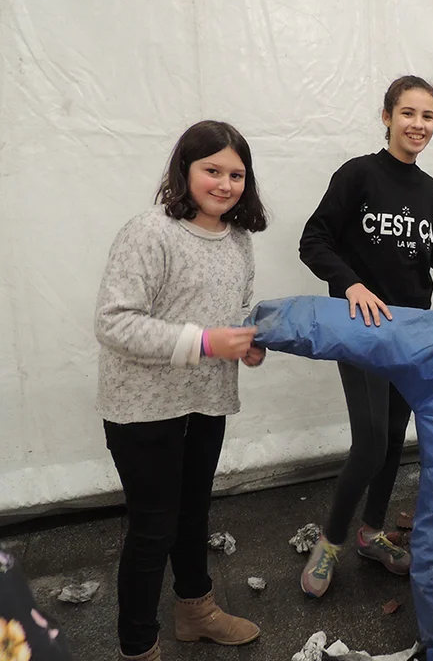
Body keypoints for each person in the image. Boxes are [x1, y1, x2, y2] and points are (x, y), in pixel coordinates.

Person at [298, 75, 433, 599]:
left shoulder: (428, 189)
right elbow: (314, 240)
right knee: (371, 440)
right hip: (362, 329)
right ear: (387, 116)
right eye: (408, 113)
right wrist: (351, 284)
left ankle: (371, 533)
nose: (418, 125)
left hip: (410, 334)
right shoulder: (359, 175)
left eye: (428, 116)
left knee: (394, 437)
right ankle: (330, 542)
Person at [94, 120, 268, 660]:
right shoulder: (149, 232)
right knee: (153, 529)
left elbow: (235, 311)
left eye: (236, 174)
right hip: (143, 408)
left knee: (194, 513)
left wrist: (246, 342)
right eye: (212, 170)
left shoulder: (238, 241)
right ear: (184, 170)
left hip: (206, 401)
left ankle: (196, 611)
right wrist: (208, 341)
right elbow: (114, 322)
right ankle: (138, 647)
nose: (225, 184)